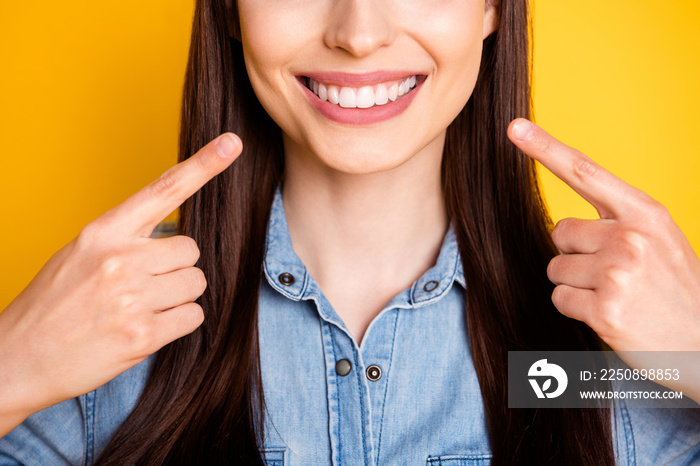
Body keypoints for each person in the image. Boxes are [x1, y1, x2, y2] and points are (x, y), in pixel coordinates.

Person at [1, 0, 699, 464]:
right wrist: (12, 368)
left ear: (490, 7)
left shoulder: (584, 366)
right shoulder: (111, 336)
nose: (359, 34)